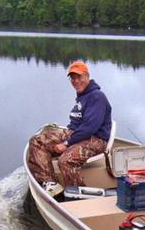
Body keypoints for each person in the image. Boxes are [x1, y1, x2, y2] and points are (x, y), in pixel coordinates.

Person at [27, 60, 112, 196]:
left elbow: (89, 128)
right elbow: (78, 126)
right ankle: (50, 184)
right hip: (77, 134)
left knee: (66, 160)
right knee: (37, 141)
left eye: (79, 77)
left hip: (95, 140)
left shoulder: (97, 97)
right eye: (73, 78)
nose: (76, 81)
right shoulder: (83, 96)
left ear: (87, 76)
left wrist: (66, 143)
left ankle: (77, 195)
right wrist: (65, 137)